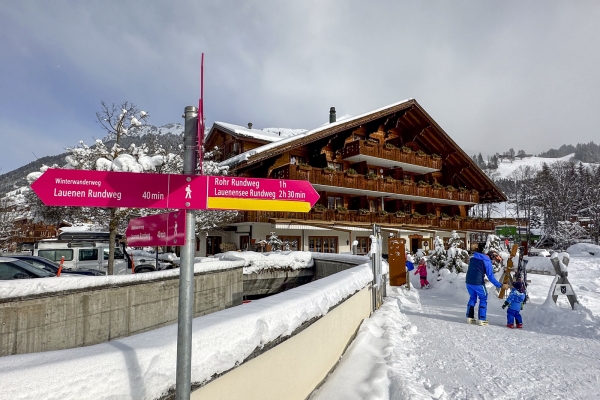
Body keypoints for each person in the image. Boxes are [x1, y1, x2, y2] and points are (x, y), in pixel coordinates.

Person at [465, 250, 508, 325]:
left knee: (472, 298)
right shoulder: (487, 262)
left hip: (468, 282)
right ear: (492, 256)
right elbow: (491, 277)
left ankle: (470, 317)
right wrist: (501, 285)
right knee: (483, 298)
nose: (493, 261)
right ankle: (482, 319)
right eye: (494, 259)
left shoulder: (473, 258)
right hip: (478, 283)